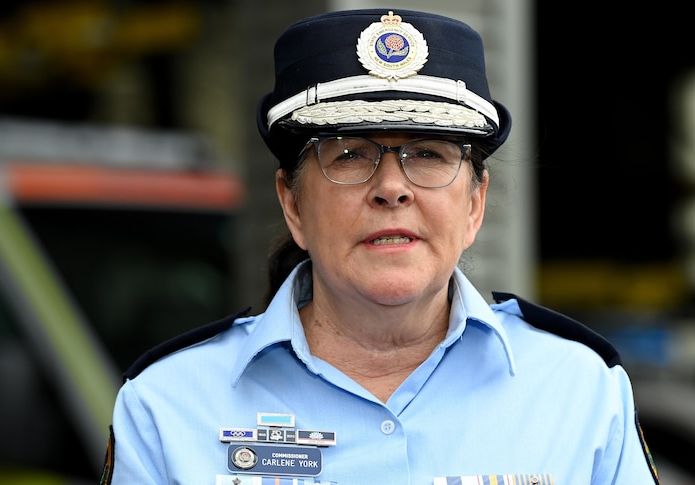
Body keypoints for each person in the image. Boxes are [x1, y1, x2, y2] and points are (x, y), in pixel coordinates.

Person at [100, 9, 661, 485]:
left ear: (474, 204)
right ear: (292, 203)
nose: (391, 187)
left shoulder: (582, 391)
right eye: (349, 154)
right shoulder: (166, 405)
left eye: (428, 154)